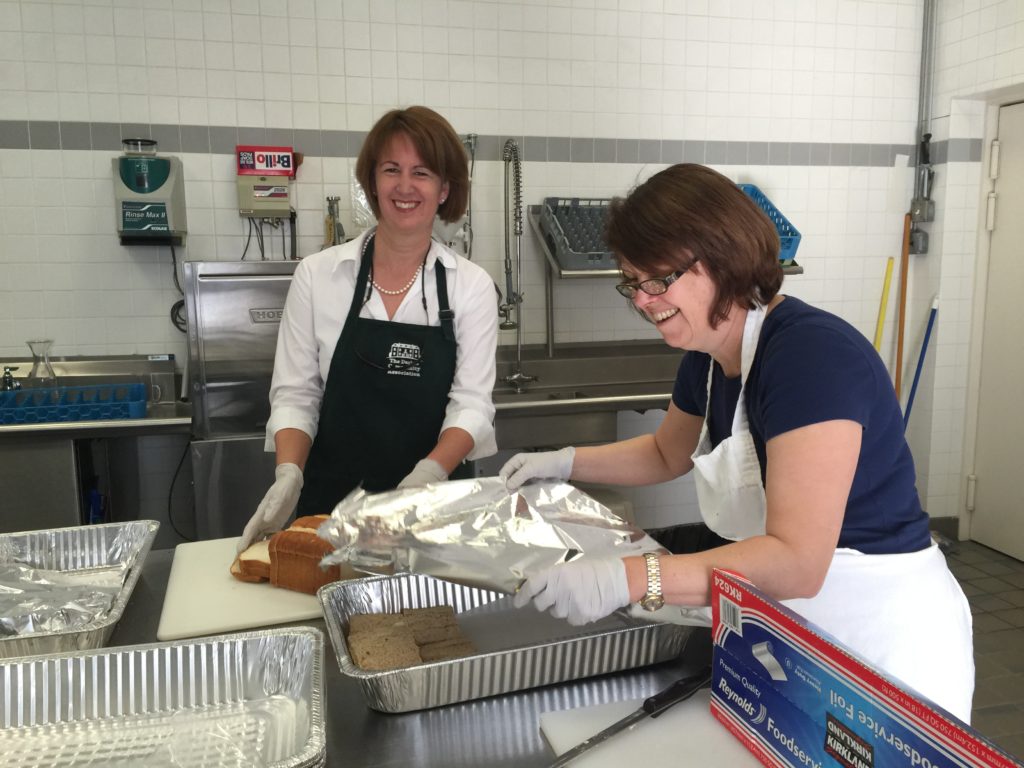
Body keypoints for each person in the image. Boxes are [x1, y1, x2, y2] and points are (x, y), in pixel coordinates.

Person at [499, 164, 974, 722]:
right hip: (794, 624)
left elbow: (798, 561)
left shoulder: (810, 357)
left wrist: (629, 578)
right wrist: (563, 462)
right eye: (633, 281)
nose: (645, 299)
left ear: (722, 258)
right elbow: (664, 453)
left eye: (660, 278)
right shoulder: (706, 359)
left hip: (881, 637)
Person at [239, 106, 497, 551]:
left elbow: (471, 405)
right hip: (330, 509)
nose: (405, 185)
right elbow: (297, 393)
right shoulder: (319, 275)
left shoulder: (469, 285)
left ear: (444, 189)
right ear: (373, 182)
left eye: (422, 172)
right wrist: (289, 473)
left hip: (434, 511)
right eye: (391, 169)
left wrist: (428, 475)